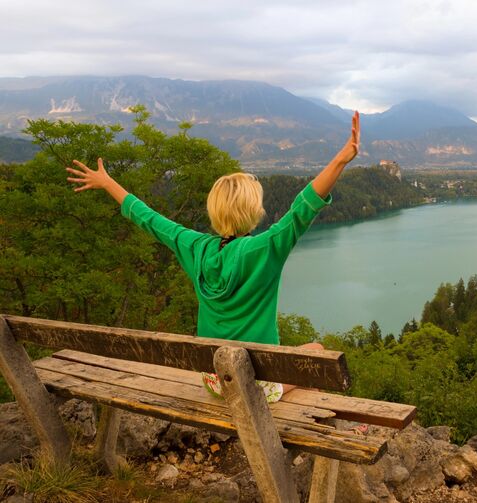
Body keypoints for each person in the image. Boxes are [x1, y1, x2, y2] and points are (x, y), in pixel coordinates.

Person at [67, 111, 360, 401]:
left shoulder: (195, 247)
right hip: (257, 387)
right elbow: (302, 208)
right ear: (254, 211)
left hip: (215, 381)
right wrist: (341, 159)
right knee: (316, 353)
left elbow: (150, 219)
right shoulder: (264, 249)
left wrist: (108, 183)